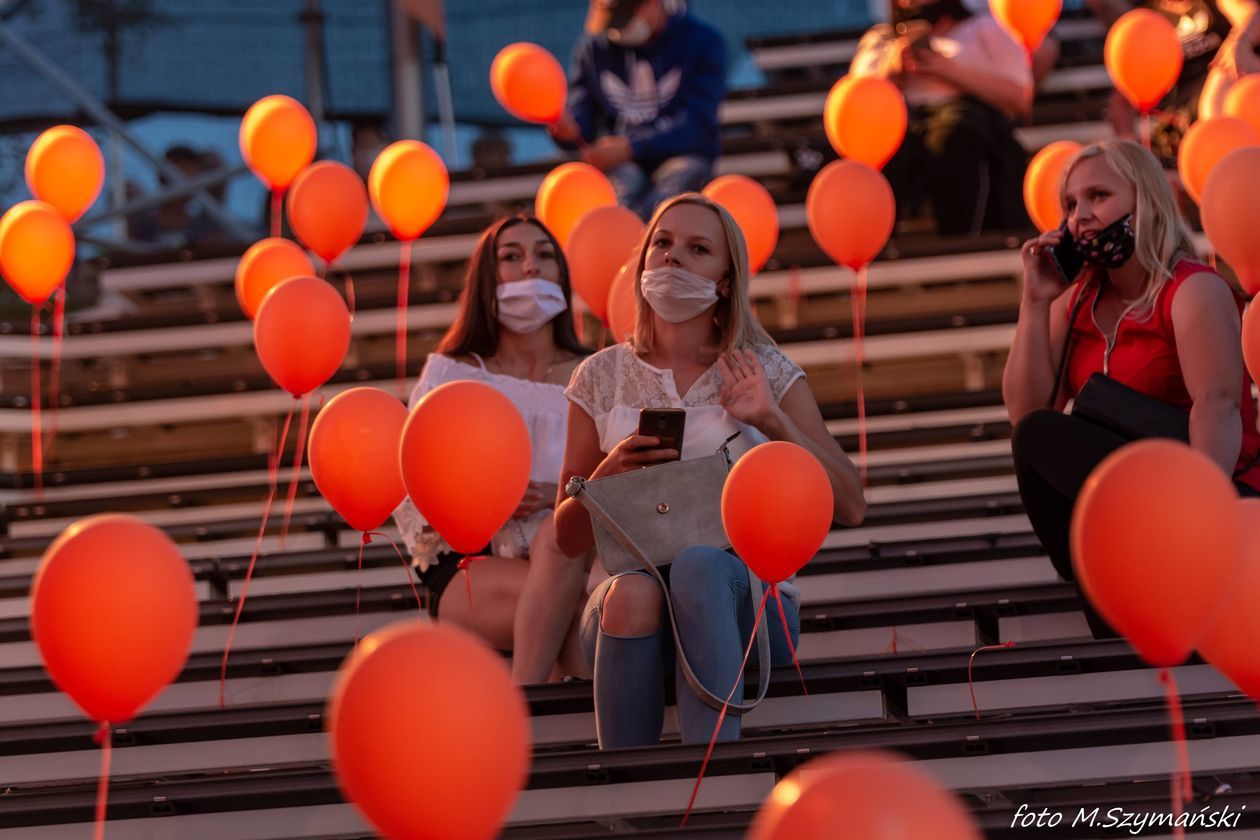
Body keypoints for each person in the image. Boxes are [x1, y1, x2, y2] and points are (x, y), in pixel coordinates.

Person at [544, 193, 866, 748]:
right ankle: (628, 794)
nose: (672, 258)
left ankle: (714, 776)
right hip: (628, 608)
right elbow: (565, 538)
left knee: (699, 566)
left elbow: (851, 505)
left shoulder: (764, 369)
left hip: (750, 608)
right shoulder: (599, 377)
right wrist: (607, 475)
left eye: (697, 249)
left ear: (723, 281)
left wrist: (770, 418)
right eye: (662, 244)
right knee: (633, 592)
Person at [1002, 139, 1260, 638]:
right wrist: (1034, 302)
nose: (1081, 217)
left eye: (1098, 196)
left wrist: (1199, 519)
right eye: (1071, 205)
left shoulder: (1192, 288)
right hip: (1127, 517)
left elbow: (1219, 405)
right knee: (1037, 435)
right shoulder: (1074, 301)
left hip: (1207, 491)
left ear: (1145, 201)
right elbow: (1026, 415)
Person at [393, 215, 593, 678]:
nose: (531, 267)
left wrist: (564, 494)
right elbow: (412, 490)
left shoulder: (599, 374)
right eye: (511, 256)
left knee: (599, 611)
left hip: (581, 559)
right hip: (473, 564)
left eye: (545, 254)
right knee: (591, 620)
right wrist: (481, 505)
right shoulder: (451, 377)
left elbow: (628, 476)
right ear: (487, 277)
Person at [851, 0, 1033, 235]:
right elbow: (855, 100)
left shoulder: (985, 28)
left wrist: (947, 69)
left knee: (953, 138)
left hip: (962, 120)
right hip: (898, 122)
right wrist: (893, 68)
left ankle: (959, 239)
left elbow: (1019, 98)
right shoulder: (880, 39)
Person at [549, 0, 726, 220]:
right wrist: (569, 129)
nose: (615, 29)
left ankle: (636, 240)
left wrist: (632, 146)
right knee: (619, 193)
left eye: (622, 17)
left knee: (671, 195)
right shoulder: (593, 47)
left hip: (682, 157)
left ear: (652, 5)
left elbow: (697, 124)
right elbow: (582, 117)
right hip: (621, 163)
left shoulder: (703, 42)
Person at [1087, 0, 1260, 162]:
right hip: (1184, 110)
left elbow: (1251, 15)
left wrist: (1239, 43)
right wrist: (1134, 152)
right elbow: (1122, 103)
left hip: (1227, 83)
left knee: (1228, 69)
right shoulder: (1150, 18)